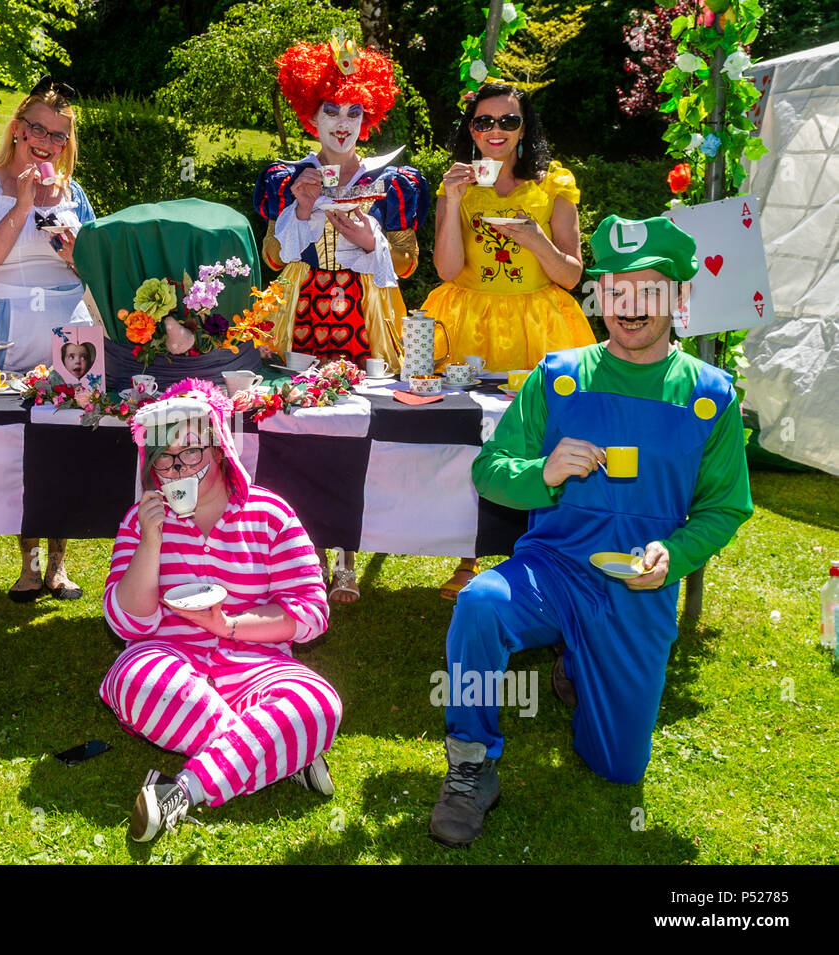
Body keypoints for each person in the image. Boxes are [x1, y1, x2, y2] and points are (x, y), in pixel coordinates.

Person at [427, 216, 752, 848]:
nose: (630, 307)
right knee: (480, 604)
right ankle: (470, 761)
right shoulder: (558, 375)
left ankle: (578, 664)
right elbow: (491, 472)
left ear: (679, 300)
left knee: (619, 769)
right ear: (600, 296)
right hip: (553, 569)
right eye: (617, 289)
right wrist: (542, 473)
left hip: (635, 589)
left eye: (649, 291)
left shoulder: (710, 394)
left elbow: (725, 508)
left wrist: (674, 553)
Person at [101, 380, 343, 842]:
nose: (178, 468)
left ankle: (183, 790)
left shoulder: (269, 514)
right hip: (168, 658)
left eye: (190, 453)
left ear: (218, 451)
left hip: (257, 661)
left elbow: (311, 611)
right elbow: (126, 622)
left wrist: (227, 625)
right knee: (134, 680)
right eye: (165, 459)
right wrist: (151, 542)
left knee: (317, 704)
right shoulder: (141, 520)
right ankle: (280, 753)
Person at [255, 38, 429, 605]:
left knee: (358, 423)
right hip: (304, 311)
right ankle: (308, 554)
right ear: (310, 114)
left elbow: (401, 266)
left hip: (365, 313)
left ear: (369, 116)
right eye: (331, 109)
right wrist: (303, 209)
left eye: (354, 110)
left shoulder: (392, 183)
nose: (342, 122)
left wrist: (366, 237)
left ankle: (349, 557)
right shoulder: (288, 180)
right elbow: (275, 257)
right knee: (304, 424)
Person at [426, 81, 597, 600]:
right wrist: (453, 201)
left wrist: (534, 238)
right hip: (468, 316)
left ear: (526, 129)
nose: (495, 131)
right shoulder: (455, 185)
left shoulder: (554, 185)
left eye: (507, 121)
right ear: (470, 129)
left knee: (543, 437)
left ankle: (540, 553)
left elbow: (570, 274)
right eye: (483, 122)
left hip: (539, 321)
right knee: (469, 436)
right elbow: (448, 268)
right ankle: (466, 556)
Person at [0, 76, 96, 603]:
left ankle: (58, 563)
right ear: (17, 129)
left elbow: (93, 270)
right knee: (16, 440)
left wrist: (77, 253)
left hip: (69, 327)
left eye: (59, 135)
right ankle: (27, 563)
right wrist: (23, 204)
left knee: (64, 437)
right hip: (0, 324)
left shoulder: (75, 192)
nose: (47, 141)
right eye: (38, 129)